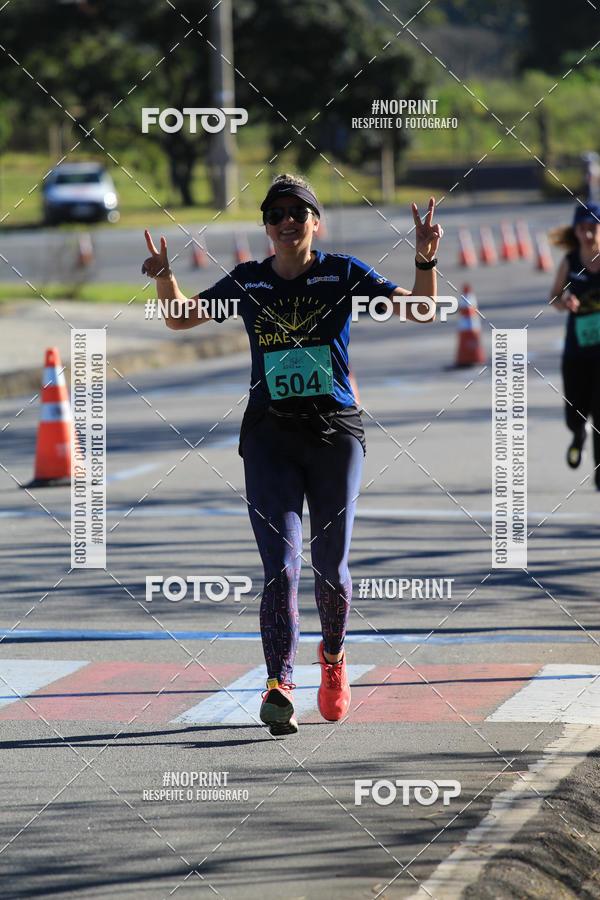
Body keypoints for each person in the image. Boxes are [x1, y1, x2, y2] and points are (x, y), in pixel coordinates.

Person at [142, 173, 443, 735]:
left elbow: (422, 311)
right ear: (266, 226)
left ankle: (332, 657)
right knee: (280, 566)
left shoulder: (343, 272)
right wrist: (165, 278)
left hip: (335, 436)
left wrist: (424, 260)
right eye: (275, 214)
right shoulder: (249, 281)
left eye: (297, 213)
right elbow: (181, 316)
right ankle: (279, 682)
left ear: (315, 223)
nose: (286, 222)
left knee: (329, 568)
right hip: (270, 438)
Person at [549, 201, 600, 490]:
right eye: (582, 229)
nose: (588, 235)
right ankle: (577, 434)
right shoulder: (570, 262)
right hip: (576, 351)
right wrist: (564, 302)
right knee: (575, 412)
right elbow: (554, 296)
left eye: (593, 228)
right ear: (576, 231)